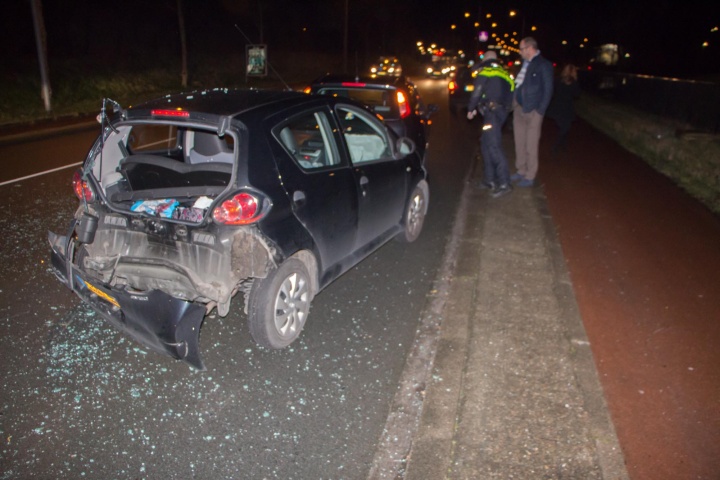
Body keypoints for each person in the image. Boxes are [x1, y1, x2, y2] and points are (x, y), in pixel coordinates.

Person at [466, 50, 515, 198]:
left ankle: (505, 183)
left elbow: (478, 91)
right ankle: (489, 180)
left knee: (493, 146)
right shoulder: (506, 74)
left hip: (492, 114)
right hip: (500, 114)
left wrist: (471, 109)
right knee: (485, 143)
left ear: (486, 59)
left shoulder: (486, 71)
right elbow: (510, 94)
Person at [511, 37, 554, 187]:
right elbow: (518, 84)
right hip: (519, 108)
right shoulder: (524, 64)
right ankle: (521, 170)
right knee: (519, 142)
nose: (520, 52)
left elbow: (548, 90)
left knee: (531, 144)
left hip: (533, 110)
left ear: (529, 48)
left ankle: (530, 175)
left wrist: (540, 111)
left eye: (521, 49)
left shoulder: (543, 65)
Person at [547, 63, 581, 153]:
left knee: (564, 126)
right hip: (566, 107)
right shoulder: (573, 83)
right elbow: (577, 94)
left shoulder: (557, 80)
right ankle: (557, 146)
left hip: (558, 106)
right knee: (565, 127)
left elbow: (552, 91)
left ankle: (563, 144)